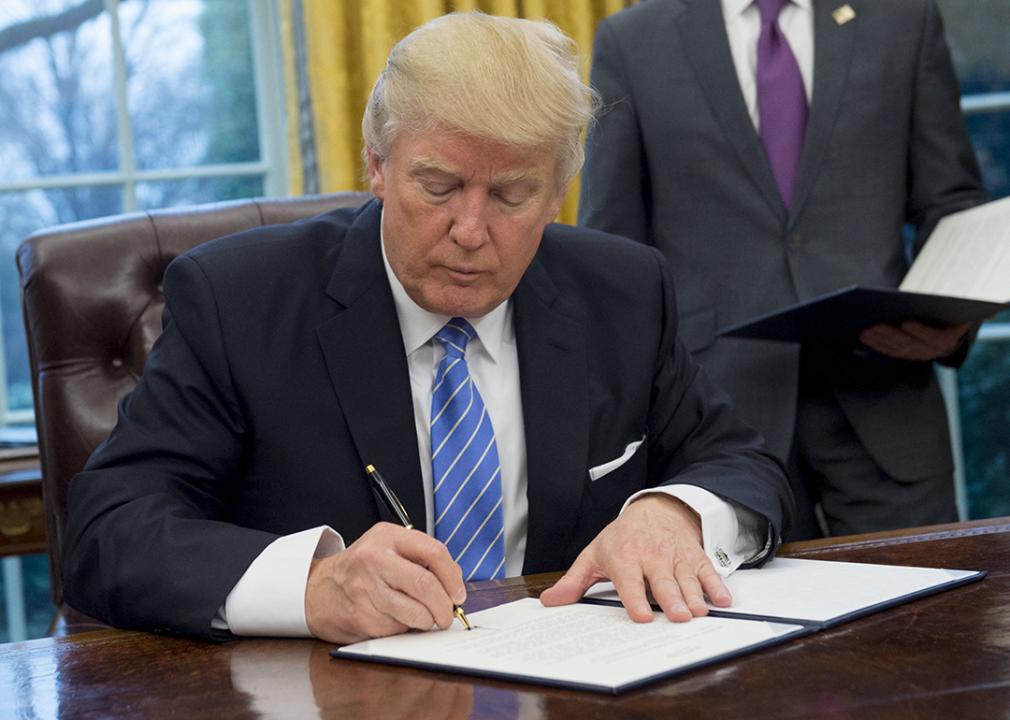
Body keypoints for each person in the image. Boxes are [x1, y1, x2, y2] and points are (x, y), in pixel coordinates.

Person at [61, 12, 792, 643]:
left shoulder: (623, 292)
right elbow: (107, 533)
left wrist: (675, 514)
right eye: (437, 187)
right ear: (377, 165)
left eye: (512, 194)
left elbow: (742, 462)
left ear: (558, 194)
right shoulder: (239, 301)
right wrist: (314, 587)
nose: (470, 230)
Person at [578, 0, 989, 540]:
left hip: (888, 401)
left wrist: (952, 319)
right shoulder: (631, 39)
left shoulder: (903, 18)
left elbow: (951, 203)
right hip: (716, 425)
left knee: (935, 619)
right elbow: (614, 244)